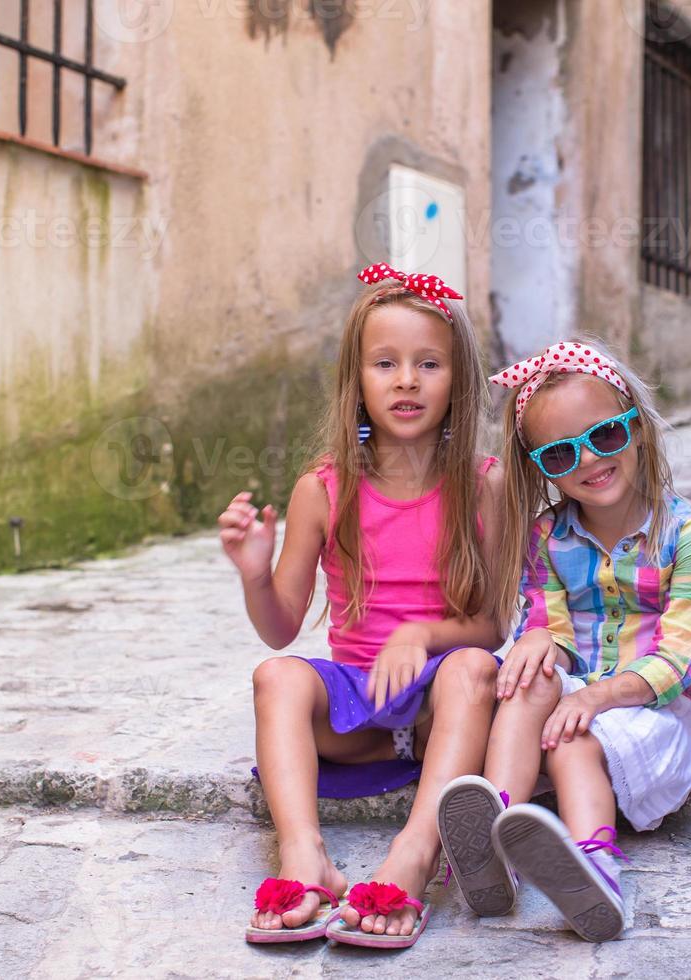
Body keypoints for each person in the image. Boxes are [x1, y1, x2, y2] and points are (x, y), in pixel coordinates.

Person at [219, 263, 503, 949]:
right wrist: (255, 575)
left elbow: (493, 624)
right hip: (357, 711)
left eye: (428, 363)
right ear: (358, 380)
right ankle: (303, 855)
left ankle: (413, 857)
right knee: (276, 678)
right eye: (385, 363)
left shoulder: (482, 484)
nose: (405, 380)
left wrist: (421, 633)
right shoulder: (322, 488)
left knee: (470, 667)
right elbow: (280, 629)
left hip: (444, 708)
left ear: (457, 381)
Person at [437, 340, 691, 943]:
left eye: (605, 437)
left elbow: (682, 657)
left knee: (573, 737)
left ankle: (596, 868)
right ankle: (495, 838)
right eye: (562, 453)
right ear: (541, 466)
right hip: (573, 696)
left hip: (651, 714)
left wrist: (594, 699)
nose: (589, 460)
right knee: (529, 675)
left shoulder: (685, 536)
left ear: (636, 428)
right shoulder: (547, 536)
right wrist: (543, 642)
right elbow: (552, 621)